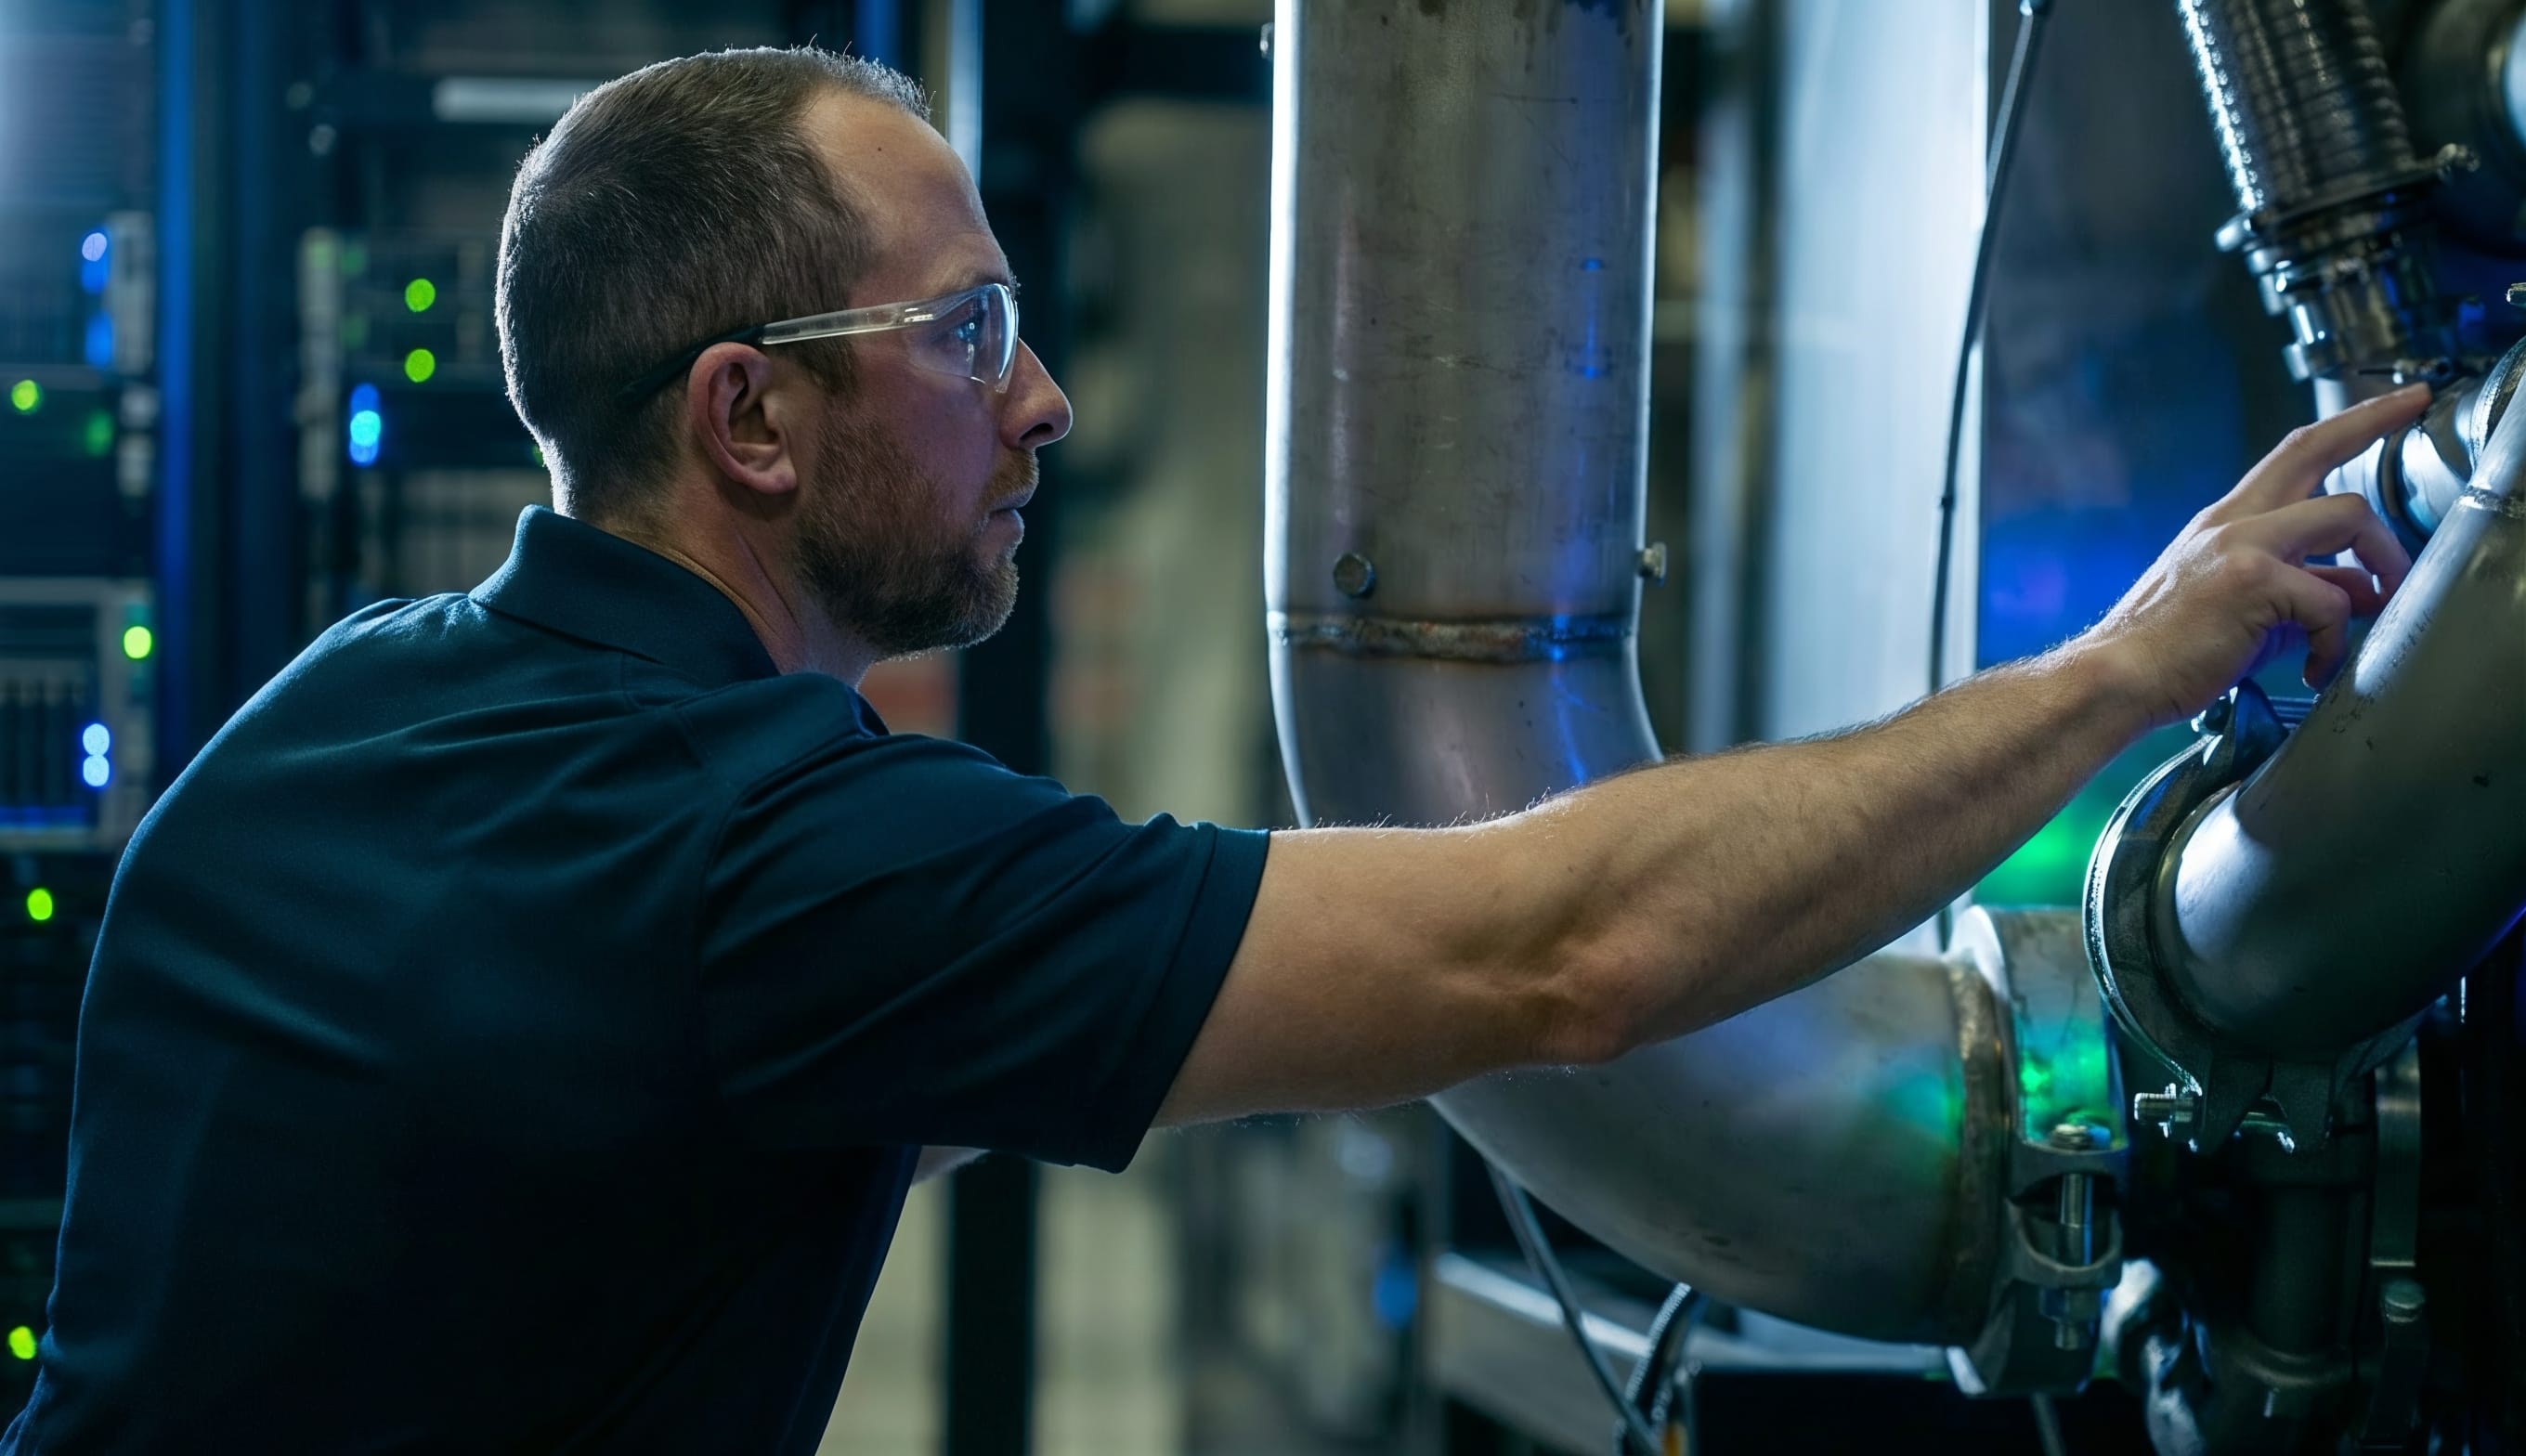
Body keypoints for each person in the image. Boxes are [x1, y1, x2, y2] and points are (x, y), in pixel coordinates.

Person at [3, 45, 2428, 1455]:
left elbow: (567, 1142)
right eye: (970, 331)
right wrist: (2131, 664)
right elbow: (1557, 956)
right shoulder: (761, 862)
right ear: (749, 418)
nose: (1041, 399)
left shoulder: (339, 715)